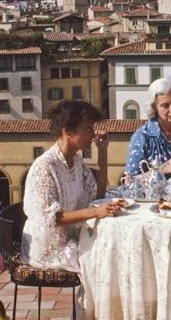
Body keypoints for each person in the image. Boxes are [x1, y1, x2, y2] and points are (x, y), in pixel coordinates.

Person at [22, 100, 125, 272]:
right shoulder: (44, 167)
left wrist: (103, 150)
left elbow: (97, 194)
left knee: (117, 248)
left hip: (72, 239)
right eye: (88, 128)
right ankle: (94, 299)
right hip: (48, 249)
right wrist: (96, 212)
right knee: (106, 260)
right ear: (68, 131)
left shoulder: (76, 161)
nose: (93, 135)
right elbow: (51, 218)